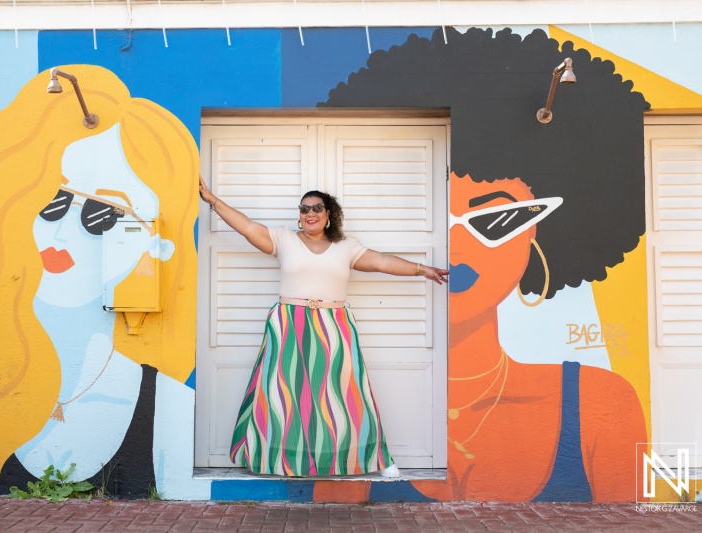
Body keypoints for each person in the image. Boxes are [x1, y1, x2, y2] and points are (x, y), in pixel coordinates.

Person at [323, 27, 648, 500]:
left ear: (537, 233)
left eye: (493, 218)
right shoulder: (353, 402)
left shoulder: (599, 404)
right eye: (439, 217)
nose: (455, 243)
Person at [0, 65, 203, 499]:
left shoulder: (169, 406)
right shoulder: (0, 378)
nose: (61, 231)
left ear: (158, 248)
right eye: (53, 203)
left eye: (99, 214)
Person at [198, 179, 448, 477]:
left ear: (329, 214)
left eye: (317, 207)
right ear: (299, 215)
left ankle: (375, 458)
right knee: (283, 394)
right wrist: (212, 199)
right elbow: (247, 226)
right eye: (304, 209)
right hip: (289, 324)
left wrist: (423, 270)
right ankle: (276, 459)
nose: (310, 213)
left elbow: (381, 261)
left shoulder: (346, 246)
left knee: (347, 393)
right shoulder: (283, 239)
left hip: (334, 325)